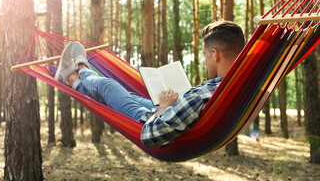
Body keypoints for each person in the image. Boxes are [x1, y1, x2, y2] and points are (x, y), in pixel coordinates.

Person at [55, 21, 245, 148]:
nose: (205, 61)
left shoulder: (200, 98)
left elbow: (150, 135)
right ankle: (74, 80)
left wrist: (163, 106)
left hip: (151, 120)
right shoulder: (238, 85)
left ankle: (80, 70)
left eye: (205, 55)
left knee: (108, 88)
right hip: (175, 112)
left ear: (215, 54)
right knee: (128, 95)